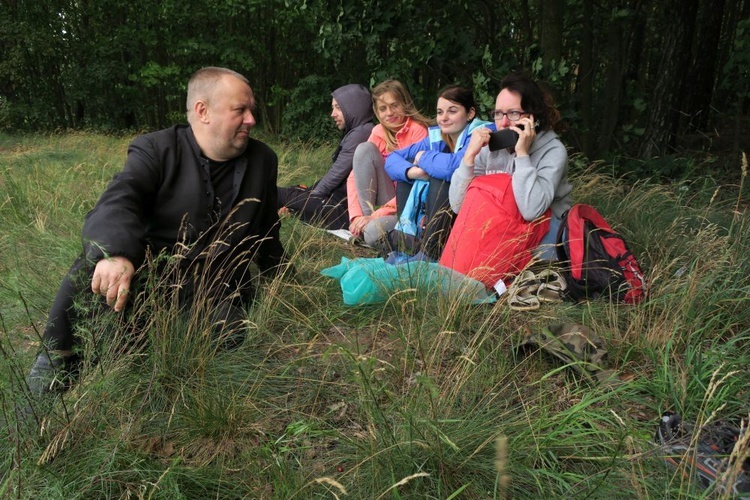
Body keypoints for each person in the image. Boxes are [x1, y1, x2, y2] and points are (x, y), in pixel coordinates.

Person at [25, 67, 291, 396]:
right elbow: (120, 200)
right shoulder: (156, 149)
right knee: (91, 265)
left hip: (218, 284)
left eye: (252, 110)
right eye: (241, 110)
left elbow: (266, 228)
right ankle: (55, 361)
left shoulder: (263, 159)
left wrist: (283, 276)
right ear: (203, 111)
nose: (251, 119)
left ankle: (153, 365)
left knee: (227, 339)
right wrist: (116, 254)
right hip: (154, 275)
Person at [439, 73, 573, 289]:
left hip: (544, 229)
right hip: (501, 227)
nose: (502, 123)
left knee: (516, 272)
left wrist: (522, 154)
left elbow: (531, 210)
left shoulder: (553, 151)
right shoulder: (491, 147)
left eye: (512, 113)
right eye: (498, 113)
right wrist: (469, 158)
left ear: (532, 117)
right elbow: (458, 205)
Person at [384, 86, 490, 259]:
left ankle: (430, 252)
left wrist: (423, 156)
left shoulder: (481, 133)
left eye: (452, 111)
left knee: (440, 174)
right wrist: (413, 172)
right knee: (408, 170)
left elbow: (454, 166)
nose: (444, 118)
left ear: (470, 114)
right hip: (443, 214)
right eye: (440, 112)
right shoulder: (437, 138)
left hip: (471, 215)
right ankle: (406, 241)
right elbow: (392, 159)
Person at [346, 80, 432, 247]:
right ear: (377, 112)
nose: (389, 113)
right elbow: (354, 176)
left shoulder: (418, 131)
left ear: (404, 104)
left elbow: (417, 185)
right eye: (383, 109)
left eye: (394, 105)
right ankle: (364, 224)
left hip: (406, 206)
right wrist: (357, 217)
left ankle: (369, 228)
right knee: (364, 150)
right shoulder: (378, 131)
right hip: (383, 198)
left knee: (372, 234)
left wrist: (376, 217)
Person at [277, 84, 374, 230]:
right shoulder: (358, 131)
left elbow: (335, 177)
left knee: (276, 192)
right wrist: (304, 195)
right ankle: (291, 209)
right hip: (334, 205)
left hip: (341, 213)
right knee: (294, 191)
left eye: (338, 108)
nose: (332, 114)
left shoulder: (361, 133)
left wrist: (307, 197)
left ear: (353, 108)